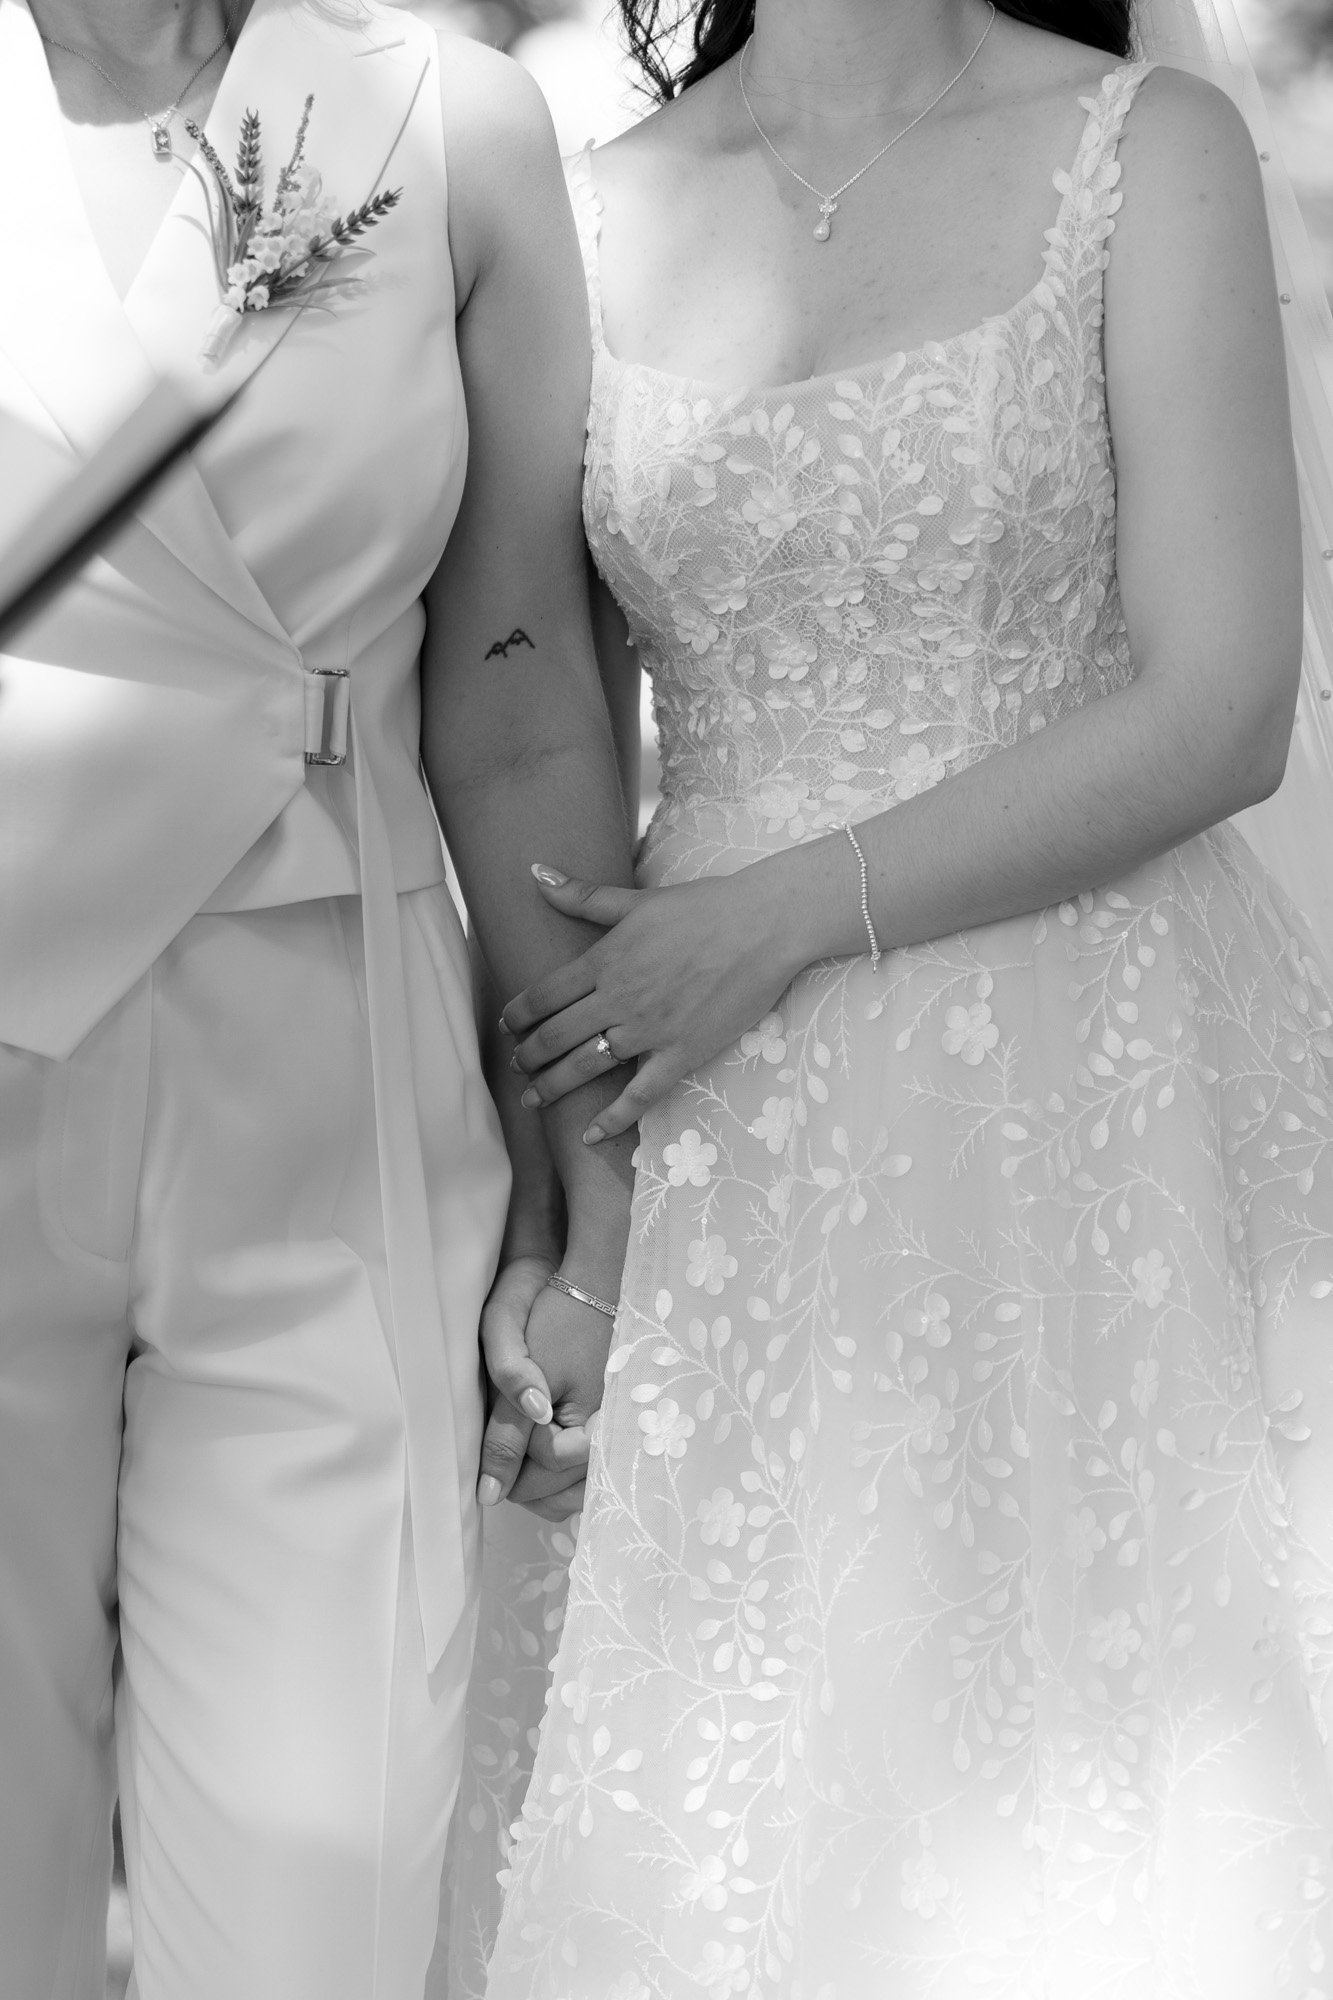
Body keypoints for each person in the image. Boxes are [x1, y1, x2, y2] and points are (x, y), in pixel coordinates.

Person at [453, 0, 1333, 1991]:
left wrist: (781, 914)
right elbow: (521, 734)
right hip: (710, 1120)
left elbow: (1221, 706)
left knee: (1115, 1810)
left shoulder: (1147, 148)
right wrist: (578, 1203)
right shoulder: (584, 217)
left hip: (1103, 1092)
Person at [0, 0, 636, 1992]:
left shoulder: (444, 127)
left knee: (319, 1916)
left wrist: (577, 1170)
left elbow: (523, 709)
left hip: (336, 1085)